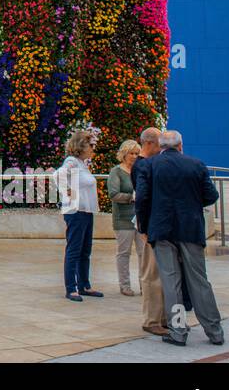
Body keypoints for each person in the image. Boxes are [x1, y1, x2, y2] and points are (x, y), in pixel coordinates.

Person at [136, 130, 224, 347]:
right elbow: (211, 196)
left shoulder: (149, 166)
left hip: (162, 230)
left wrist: (143, 227)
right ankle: (214, 330)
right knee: (199, 280)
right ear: (180, 145)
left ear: (161, 146)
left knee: (170, 280)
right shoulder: (196, 165)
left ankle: (178, 331)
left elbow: (142, 199)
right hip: (191, 229)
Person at [57, 128, 102, 301]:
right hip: (76, 211)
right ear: (81, 146)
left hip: (86, 211)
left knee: (85, 250)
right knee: (74, 249)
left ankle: (84, 285)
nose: (93, 148)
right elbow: (59, 174)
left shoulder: (82, 164)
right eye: (91, 145)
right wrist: (67, 191)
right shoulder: (72, 161)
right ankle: (71, 288)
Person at [133, 128, 167, 333]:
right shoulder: (142, 166)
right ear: (150, 143)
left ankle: (161, 317)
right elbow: (142, 199)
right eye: (159, 144)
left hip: (153, 225)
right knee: (151, 273)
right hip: (149, 227)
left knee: (158, 273)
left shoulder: (148, 164)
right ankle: (152, 320)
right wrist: (143, 227)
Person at [108, 138, 143, 296]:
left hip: (141, 218)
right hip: (123, 218)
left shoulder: (140, 170)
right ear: (124, 154)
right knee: (124, 253)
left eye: (137, 153)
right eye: (131, 153)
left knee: (144, 253)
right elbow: (113, 194)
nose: (135, 156)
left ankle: (145, 284)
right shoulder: (116, 172)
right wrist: (131, 197)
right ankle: (125, 285)